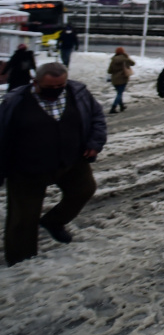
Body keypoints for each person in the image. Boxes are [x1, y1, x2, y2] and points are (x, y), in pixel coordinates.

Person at [0, 63, 107, 266]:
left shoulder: (78, 93)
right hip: (27, 169)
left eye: (61, 85)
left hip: (71, 161)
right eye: (50, 87)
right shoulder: (15, 101)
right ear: (36, 82)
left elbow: (97, 118)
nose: (56, 90)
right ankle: (20, 262)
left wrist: (95, 143)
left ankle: (53, 221)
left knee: (84, 190)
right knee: (23, 218)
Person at [106, 47, 135, 113]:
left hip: (114, 79)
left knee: (119, 93)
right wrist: (127, 57)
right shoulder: (125, 59)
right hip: (123, 78)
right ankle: (113, 107)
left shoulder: (113, 60)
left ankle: (122, 106)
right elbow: (133, 63)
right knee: (119, 93)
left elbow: (109, 70)